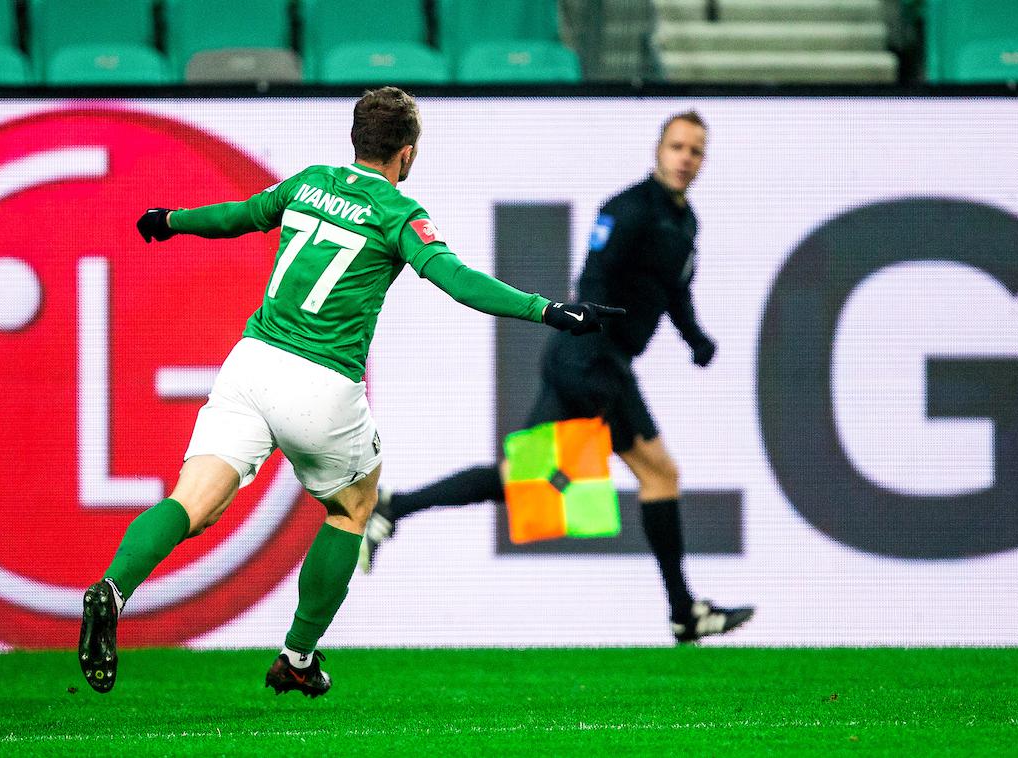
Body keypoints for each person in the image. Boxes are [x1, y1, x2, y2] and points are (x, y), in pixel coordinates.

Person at [77, 86, 623, 697]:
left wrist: (170, 220)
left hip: (251, 364)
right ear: (407, 153)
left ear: (356, 139)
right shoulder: (399, 213)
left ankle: (113, 589)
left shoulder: (306, 183)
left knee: (193, 502)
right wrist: (548, 310)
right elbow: (458, 281)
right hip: (322, 383)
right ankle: (298, 657)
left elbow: (235, 217)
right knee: (352, 507)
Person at [360, 111, 754, 644]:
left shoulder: (685, 223)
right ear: (659, 151)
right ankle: (684, 612)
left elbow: (672, 292)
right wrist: (594, 355)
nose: (686, 158)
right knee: (659, 474)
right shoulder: (629, 209)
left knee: (520, 479)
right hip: (592, 362)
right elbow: (592, 276)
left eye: (696, 151)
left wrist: (695, 338)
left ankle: (393, 506)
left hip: (594, 364)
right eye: (678, 147)